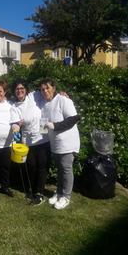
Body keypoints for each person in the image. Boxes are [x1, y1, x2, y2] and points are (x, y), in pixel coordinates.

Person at [40, 78, 80, 210]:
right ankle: (59, 192)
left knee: (66, 170)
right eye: (42, 89)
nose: (45, 91)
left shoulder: (63, 100)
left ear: (54, 88)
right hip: (55, 145)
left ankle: (66, 197)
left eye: (47, 88)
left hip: (67, 144)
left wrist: (55, 126)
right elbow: (45, 124)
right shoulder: (46, 105)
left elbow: (74, 119)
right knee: (60, 170)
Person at [11, 80, 51, 205]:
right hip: (27, 141)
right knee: (31, 166)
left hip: (43, 136)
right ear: (14, 91)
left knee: (42, 167)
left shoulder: (34, 95)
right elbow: (15, 123)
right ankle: (33, 189)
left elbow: (48, 93)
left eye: (22, 88)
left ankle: (39, 193)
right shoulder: (14, 107)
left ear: (26, 89)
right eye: (17, 89)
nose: (20, 90)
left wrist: (61, 94)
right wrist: (16, 127)